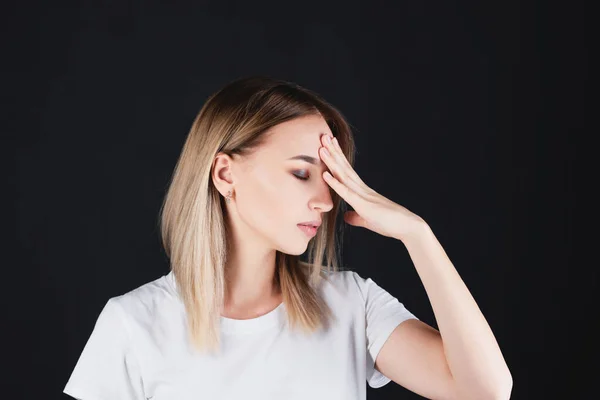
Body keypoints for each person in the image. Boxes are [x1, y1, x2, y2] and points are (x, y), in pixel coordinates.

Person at [63, 76, 512, 400]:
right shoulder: (134, 324)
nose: (325, 200)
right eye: (301, 173)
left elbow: (486, 391)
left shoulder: (350, 304)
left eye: (330, 179)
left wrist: (419, 236)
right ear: (225, 173)